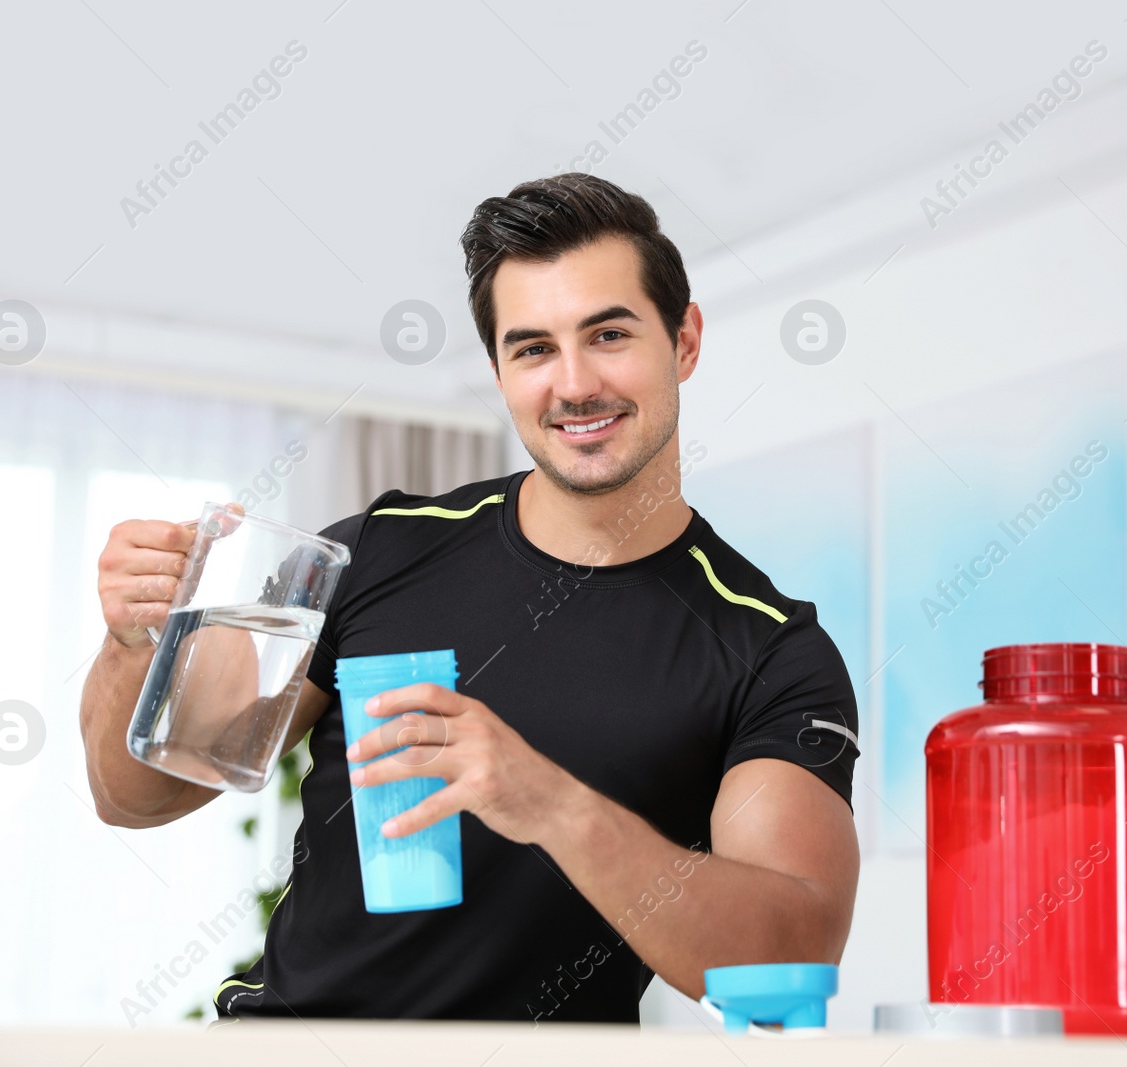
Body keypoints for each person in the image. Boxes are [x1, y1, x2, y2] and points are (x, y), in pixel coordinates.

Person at [81, 172, 861, 1024]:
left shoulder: (769, 648)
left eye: (608, 334)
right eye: (533, 348)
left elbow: (793, 950)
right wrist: (131, 645)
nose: (573, 383)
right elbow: (136, 795)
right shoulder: (376, 549)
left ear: (685, 341)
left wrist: (553, 803)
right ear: (497, 371)